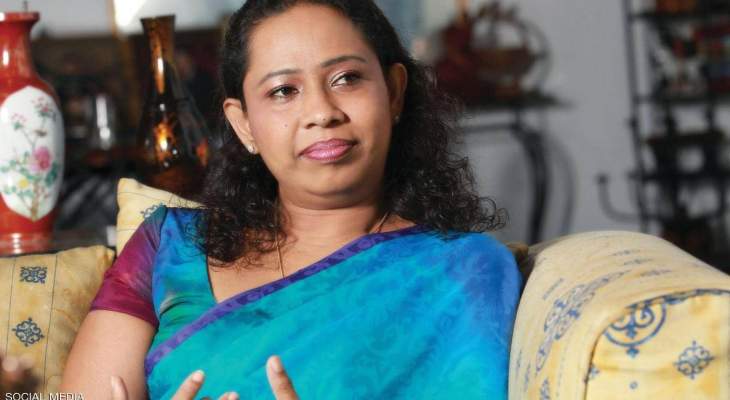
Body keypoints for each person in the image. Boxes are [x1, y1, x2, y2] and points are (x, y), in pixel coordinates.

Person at [60, 0, 522, 398]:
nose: (321, 112)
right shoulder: (169, 246)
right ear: (244, 125)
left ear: (394, 93)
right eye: (283, 91)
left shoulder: (463, 272)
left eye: (346, 78)